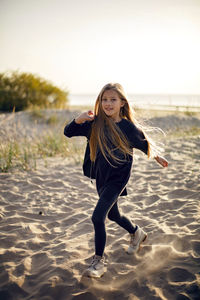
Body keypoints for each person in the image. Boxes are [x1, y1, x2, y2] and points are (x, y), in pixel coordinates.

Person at [64, 83, 168, 278]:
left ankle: (98, 262)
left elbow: (144, 143)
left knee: (97, 217)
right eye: (104, 99)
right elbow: (67, 132)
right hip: (101, 178)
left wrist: (156, 156)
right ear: (99, 102)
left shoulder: (128, 127)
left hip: (118, 179)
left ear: (122, 103)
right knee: (113, 215)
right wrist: (78, 120)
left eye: (113, 99)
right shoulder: (94, 124)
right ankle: (136, 233)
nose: (108, 103)